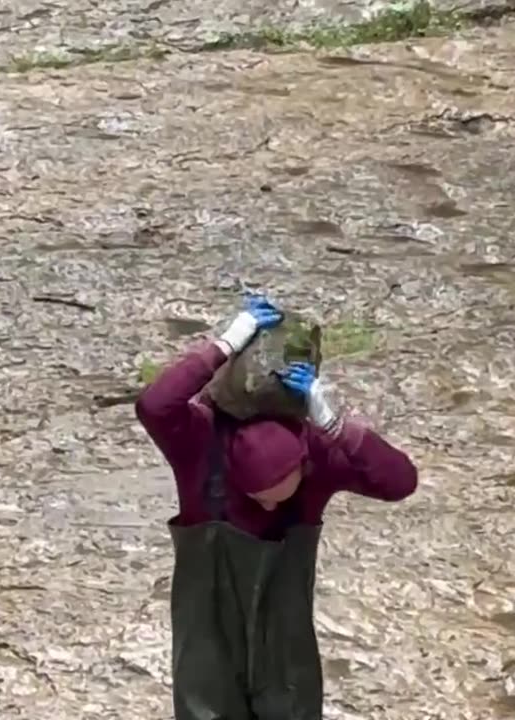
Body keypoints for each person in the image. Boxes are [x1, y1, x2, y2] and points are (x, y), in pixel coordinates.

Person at [135, 294, 419, 720]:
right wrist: (224, 347)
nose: (267, 503)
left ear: (303, 467)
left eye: (278, 492)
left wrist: (338, 427)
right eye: (256, 494)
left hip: (284, 653)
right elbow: (154, 405)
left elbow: (400, 482)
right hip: (207, 649)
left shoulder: (319, 455)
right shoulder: (201, 442)